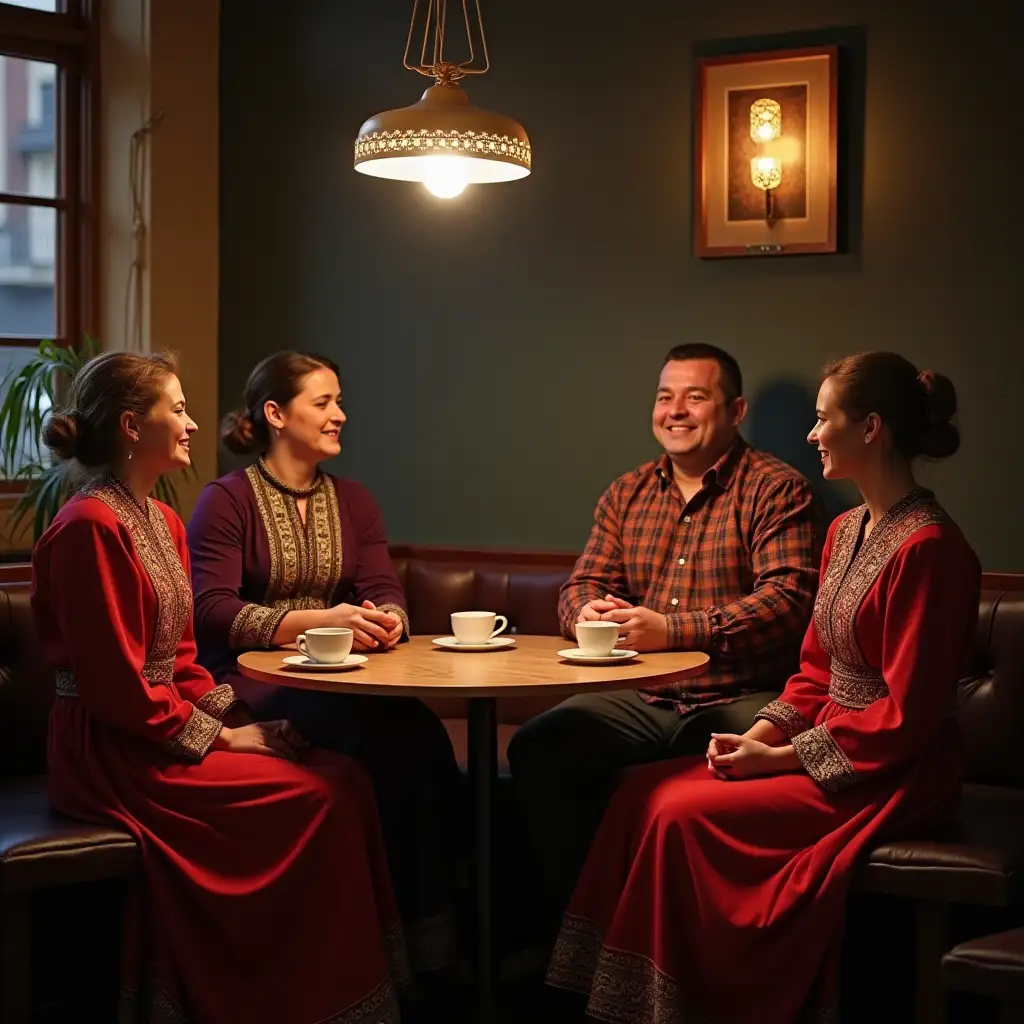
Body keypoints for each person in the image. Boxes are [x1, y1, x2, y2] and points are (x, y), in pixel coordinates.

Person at [547, 352, 981, 1024]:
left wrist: (780, 760)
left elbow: (908, 716)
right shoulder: (846, 531)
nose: (811, 435)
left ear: (869, 429)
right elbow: (813, 671)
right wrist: (758, 736)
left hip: (894, 769)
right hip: (832, 740)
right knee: (638, 795)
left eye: (822, 419)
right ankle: (606, 996)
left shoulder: (929, 549)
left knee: (674, 809)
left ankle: (701, 1002)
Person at [32, 351, 409, 1023]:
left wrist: (238, 717)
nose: (192, 424)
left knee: (346, 778)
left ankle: (323, 990)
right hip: (112, 751)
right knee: (319, 796)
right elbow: (116, 688)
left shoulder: (161, 520)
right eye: (175, 410)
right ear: (129, 426)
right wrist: (229, 737)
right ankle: (266, 997)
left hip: (158, 726)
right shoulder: (89, 526)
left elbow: (180, 659)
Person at [507, 343, 823, 941]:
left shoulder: (777, 490)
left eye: (695, 397)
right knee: (539, 747)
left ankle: (687, 946)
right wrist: (585, 613)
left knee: (703, 773)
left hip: (743, 695)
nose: (675, 411)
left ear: (735, 410)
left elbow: (786, 604)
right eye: (664, 397)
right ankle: (584, 936)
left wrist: (672, 630)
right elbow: (580, 585)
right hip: (640, 695)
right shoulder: (625, 493)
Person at [187, 350, 463, 979]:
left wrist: (388, 616)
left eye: (339, 401)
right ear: (277, 414)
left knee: (420, 735)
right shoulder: (226, 501)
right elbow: (211, 611)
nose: (340, 414)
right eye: (324, 402)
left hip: (337, 679)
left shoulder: (354, 500)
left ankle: (448, 922)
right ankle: (416, 941)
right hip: (248, 681)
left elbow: (382, 585)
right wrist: (321, 622)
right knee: (390, 742)